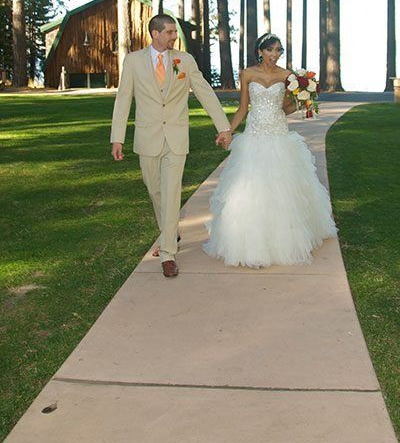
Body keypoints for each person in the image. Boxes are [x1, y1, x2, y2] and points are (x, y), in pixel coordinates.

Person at [110, 14, 232, 277]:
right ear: (154, 33)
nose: (174, 37)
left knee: (171, 192)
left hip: (176, 138)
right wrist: (117, 137)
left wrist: (223, 126)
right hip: (147, 137)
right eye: (169, 32)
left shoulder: (184, 60)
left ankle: (168, 254)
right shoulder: (133, 61)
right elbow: (123, 100)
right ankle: (170, 231)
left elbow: (204, 92)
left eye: (174, 32)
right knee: (155, 190)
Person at [203, 33, 337, 268]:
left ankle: (284, 241)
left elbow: (286, 108)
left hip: (278, 135)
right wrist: (228, 131)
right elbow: (243, 108)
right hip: (254, 136)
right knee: (249, 191)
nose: (275, 55)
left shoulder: (287, 76)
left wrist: (303, 97)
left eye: (278, 50)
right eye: (270, 50)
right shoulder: (247, 74)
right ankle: (251, 245)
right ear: (260, 51)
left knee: (282, 191)